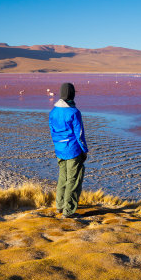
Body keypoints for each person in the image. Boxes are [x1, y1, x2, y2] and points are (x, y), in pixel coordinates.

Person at [49, 82, 88, 217]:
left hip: (59, 150)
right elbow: (79, 134)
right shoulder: (74, 112)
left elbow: (53, 132)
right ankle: (69, 211)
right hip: (73, 150)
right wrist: (84, 150)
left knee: (62, 177)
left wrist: (58, 146)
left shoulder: (53, 112)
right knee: (73, 179)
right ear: (71, 94)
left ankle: (59, 206)